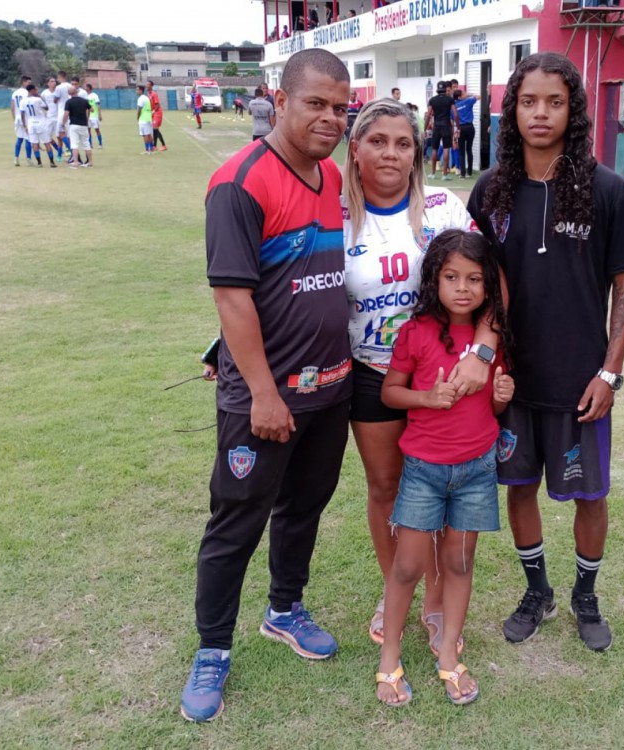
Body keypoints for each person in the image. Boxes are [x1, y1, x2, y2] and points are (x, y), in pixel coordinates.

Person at [180, 48, 353, 724]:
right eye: (316, 104)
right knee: (236, 522)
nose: (330, 118)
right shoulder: (239, 183)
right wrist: (262, 392)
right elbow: (232, 297)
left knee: (304, 508)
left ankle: (284, 609)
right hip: (265, 398)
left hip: (329, 389)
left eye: (340, 107)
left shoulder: (331, 175)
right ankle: (213, 649)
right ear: (279, 102)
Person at [466, 52, 624, 652]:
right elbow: (472, 281)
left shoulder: (608, 190)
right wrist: (483, 358)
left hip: (581, 382)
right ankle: (537, 590)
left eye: (554, 101)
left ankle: (586, 596)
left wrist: (610, 372)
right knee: (519, 487)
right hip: (512, 380)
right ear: (512, 111)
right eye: (528, 101)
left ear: (573, 110)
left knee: (590, 496)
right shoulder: (490, 191)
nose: (540, 113)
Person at [342, 98, 491, 654]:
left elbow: (493, 285)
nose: (391, 153)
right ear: (355, 149)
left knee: (444, 487)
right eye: (377, 141)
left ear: (417, 153)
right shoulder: (333, 214)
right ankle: (395, 589)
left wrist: (482, 353)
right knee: (386, 488)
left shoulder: (443, 207)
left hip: (450, 378)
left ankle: (435, 597)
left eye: (403, 143)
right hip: (372, 372)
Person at [374, 229, 514, 707]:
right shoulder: (415, 332)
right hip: (424, 471)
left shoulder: (492, 341)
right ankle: (389, 656)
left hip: (477, 470)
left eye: (474, 279)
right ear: (434, 279)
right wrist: (428, 397)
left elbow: (491, 409)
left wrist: (501, 396)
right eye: (451, 277)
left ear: (488, 286)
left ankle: (449, 653)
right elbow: (390, 392)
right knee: (408, 565)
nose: (462, 288)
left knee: (459, 562)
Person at [20, 84, 56, 168]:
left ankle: (39, 163)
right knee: (46, 142)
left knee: (35, 143)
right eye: (36, 90)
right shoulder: (37, 99)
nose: (37, 91)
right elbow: (46, 108)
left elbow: (22, 114)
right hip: (41, 123)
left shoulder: (23, 101)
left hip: (31, 124)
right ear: (32, 90)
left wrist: (24, 125)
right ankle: (52, 162)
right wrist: (40, 96)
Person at [427, 82, 457, 180]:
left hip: (436, 126)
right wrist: (458, 127)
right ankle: (445, 174)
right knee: (446, 148)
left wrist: (425, 128)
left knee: (434, 149)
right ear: (445, 89)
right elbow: (455, 114)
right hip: (446, 125)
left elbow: (428, 115)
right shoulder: (450, 100)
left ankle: (433, 173)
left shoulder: (432, 100)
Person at [64, 85, 93, 168]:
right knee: (86, 144)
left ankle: (76, 162)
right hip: (83, 125)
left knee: (74, 144)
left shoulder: (69, 102)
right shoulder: (84, 101)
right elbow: (92, 109)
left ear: (69, 93)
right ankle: (90, 162)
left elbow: (66, 114)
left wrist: (63, 123)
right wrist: (86, 113)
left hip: (74, 125)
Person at [454, 86, 477, 177]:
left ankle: (463, 173)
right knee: (469, 149)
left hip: (461, 128)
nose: (465, 94)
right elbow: (479, 97)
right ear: (459, 97)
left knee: (461, 151)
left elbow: (453, 119)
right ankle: (470, 172)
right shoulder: (468, 101)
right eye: (464, 93)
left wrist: (455, 132)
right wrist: (469, 95)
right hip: (470, 127)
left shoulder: (454, 106)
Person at [11, 76, 33, 166]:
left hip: (17, 118)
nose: (30, 84)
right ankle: (28, 159)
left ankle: (16, 158)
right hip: (25, 118)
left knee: (19, 138)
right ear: (23, 82)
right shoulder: (27, 93)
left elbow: (12, 107)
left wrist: (14, 118)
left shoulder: (15, 93)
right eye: (28, 82)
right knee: (28, 139)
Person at [147, 80, 167, 152]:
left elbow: (157, 104)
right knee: (154, 129)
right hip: (153, 113)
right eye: (146, 84)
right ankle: (154, 146)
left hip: (157, 113)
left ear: (151, 86)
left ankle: (164, 146)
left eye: (148, 84)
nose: (147, 86)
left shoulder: (154, 94)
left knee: (155, 129)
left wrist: (153, 111)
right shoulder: (149, 94)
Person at [135, 85, 154, 154]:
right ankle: (151, 149)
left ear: (141, 91)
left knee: (145, 134)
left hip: (143, 118)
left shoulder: (140, 99)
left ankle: (147, 150)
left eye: (137, 90)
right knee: (149, 134)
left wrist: (137, 117)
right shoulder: (146, 98)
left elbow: (139, 110)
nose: (136, 91)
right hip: (148, 117)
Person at [85, 83, 103, 149]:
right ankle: (90, 144)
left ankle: (100, 144)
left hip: (94, 116)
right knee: (88, 130)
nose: (85, 88)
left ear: (89, 88)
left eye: (86, 87)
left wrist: (100, 115)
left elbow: (98, 105)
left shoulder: (94, 95)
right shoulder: (84, 96)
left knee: (97, 130)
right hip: (87, 117)